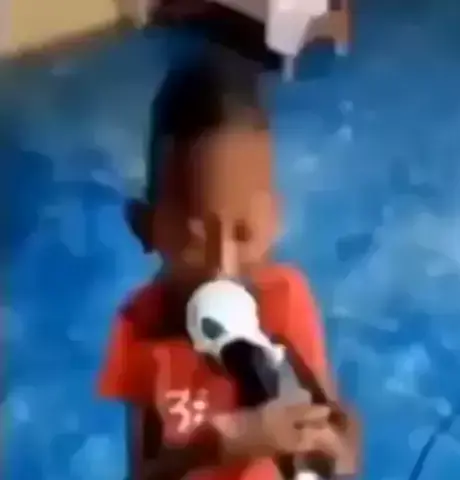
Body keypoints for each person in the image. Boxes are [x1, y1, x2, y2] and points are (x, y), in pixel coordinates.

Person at [98, 53, 359, 480]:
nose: (224, 268)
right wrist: (222, 445)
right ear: (146, 228)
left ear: (274, 222)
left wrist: (338, 445)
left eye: (244, 234)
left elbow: (333, 424)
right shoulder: (140, 327)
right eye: (194, 242)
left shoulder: (286, 299)